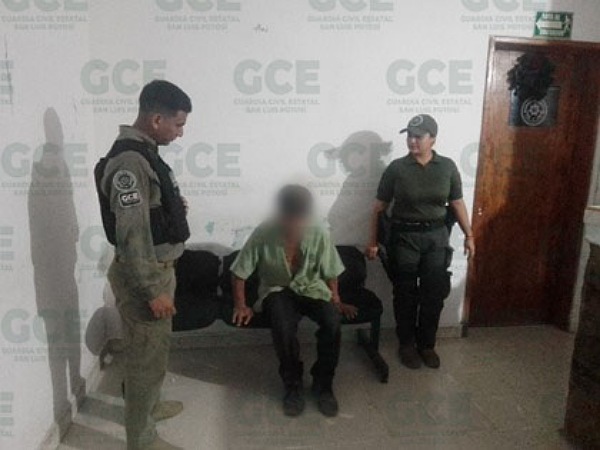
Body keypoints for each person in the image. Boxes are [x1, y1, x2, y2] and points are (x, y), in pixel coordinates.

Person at [94, 80, 192, 450]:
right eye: (178, 125)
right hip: (146, 276)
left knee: (155, 351)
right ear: (156, 120)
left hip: (159, 269)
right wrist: (152, 290)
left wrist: (171, 211)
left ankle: (150, 407)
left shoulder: (145, 153)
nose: (180, 133)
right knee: (143, 361)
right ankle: (141, 438)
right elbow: (132, 234)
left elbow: (146, 214)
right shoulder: (129, 162)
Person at [230, 185, 356, 417]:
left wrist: (336, 300)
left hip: (312, 287)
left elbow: (331, 270)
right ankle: (293, 384)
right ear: (281, 214)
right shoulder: (264, 232)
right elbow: (240, 271)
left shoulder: (318, 232)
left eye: (300, 218)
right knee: (282, 324)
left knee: (332, 322)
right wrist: (241, 305)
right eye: (289, 218)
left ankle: (323, 383)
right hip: (277, 289)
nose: (294, 224)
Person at [365, 114, 475, 370]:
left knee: (433, 293)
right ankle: (406, 344)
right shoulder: (397, 169)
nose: (412, 141)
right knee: (405, 294)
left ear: (433, 138)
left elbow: (457, 203)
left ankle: (427, 345)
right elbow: (379, 208)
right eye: (409, 136)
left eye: (418, 136)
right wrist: (372, 241)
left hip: (436, 238)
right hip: (404, 238)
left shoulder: (447, 167)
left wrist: (469, 235)